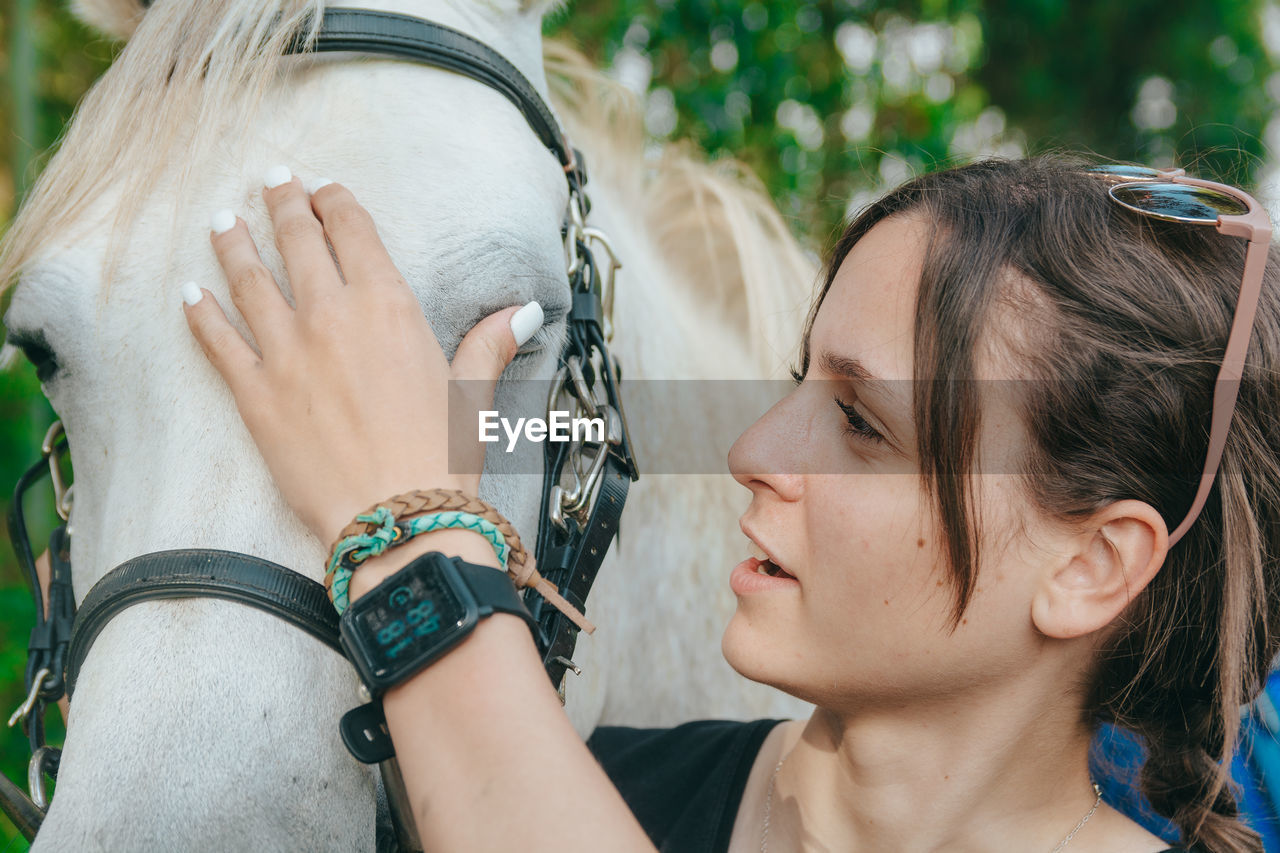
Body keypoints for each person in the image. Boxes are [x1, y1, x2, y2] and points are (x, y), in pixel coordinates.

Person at [178, 154, 1280, 852]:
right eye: (801, 379)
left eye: (861, 421)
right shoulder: (586, 782)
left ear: (1087, 566)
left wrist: (407, 535)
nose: (751, 449)